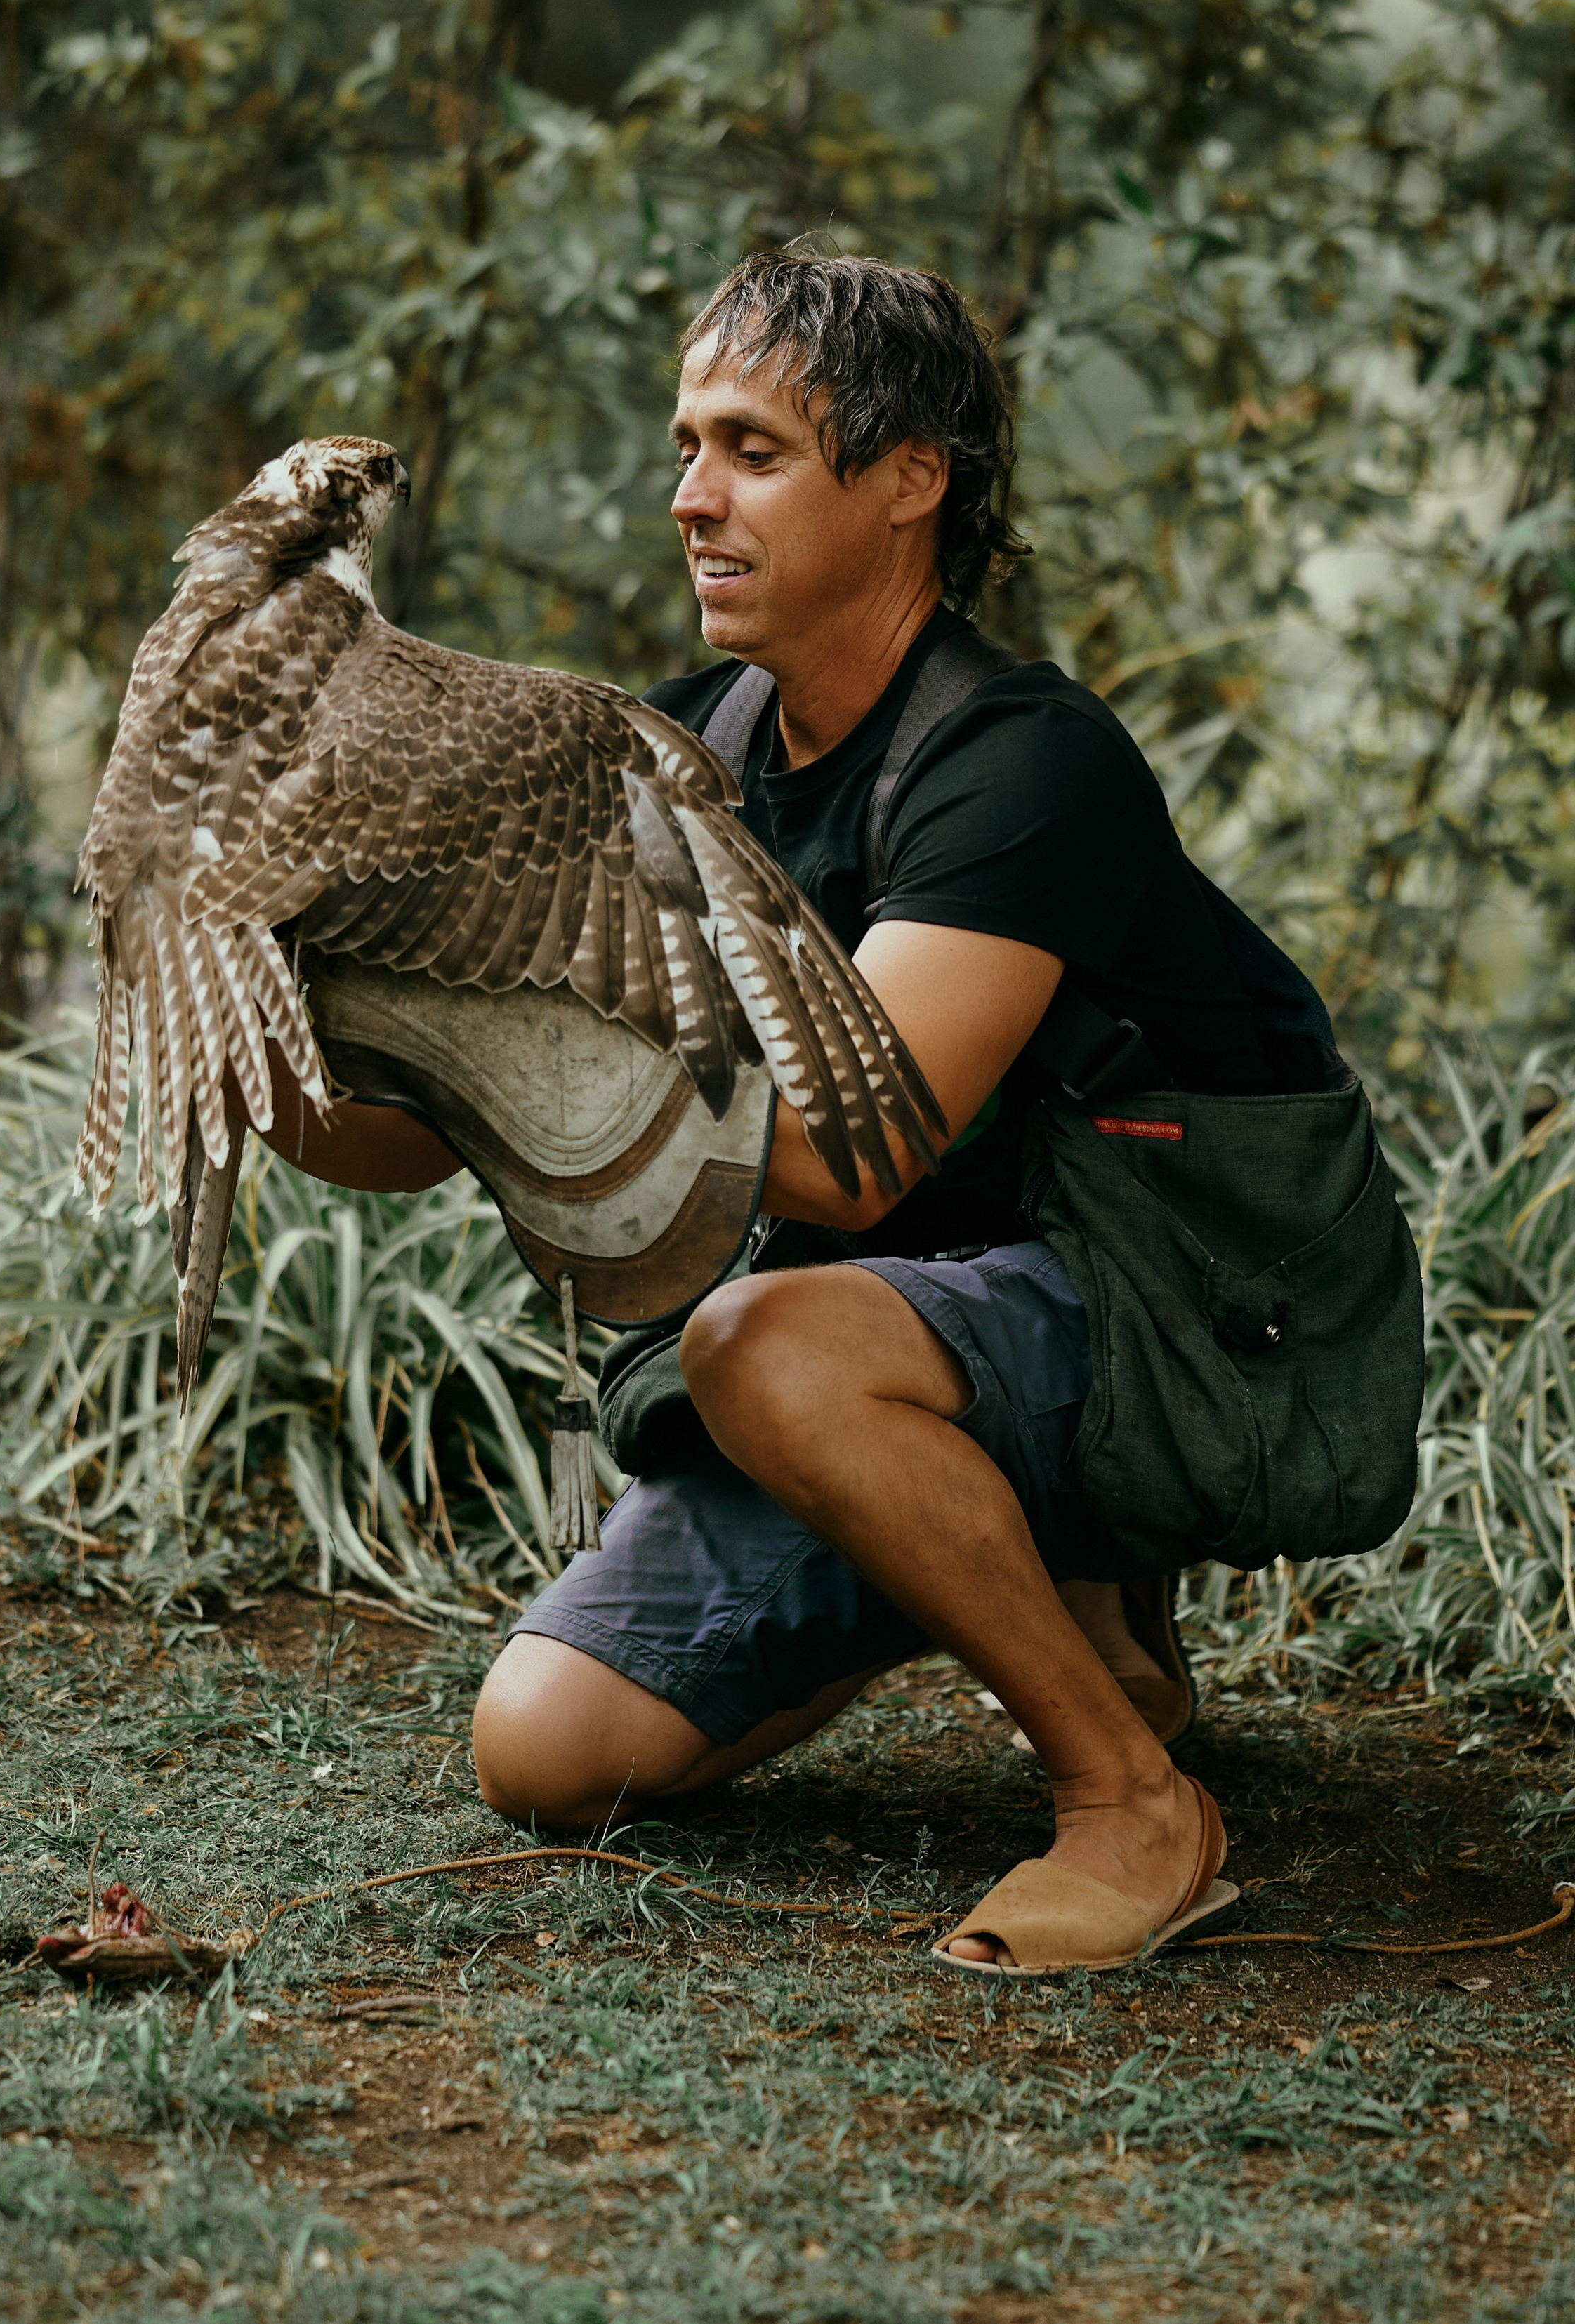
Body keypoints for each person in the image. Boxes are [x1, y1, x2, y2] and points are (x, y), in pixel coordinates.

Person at [255, 250, 1319, 1970]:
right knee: (547, 1751)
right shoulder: (677, 750)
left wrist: (506, 1020)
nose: (688, 497)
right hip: (886, 1351)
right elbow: (403, 1139)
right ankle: (1001, 1561)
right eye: (686, 446)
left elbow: (850, 1156)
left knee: (763, 1342)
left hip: (1184, 1319)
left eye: (750, 449)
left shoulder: (1025, 763)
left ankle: (1133, 1803)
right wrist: (271, 1004)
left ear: (910, 482)